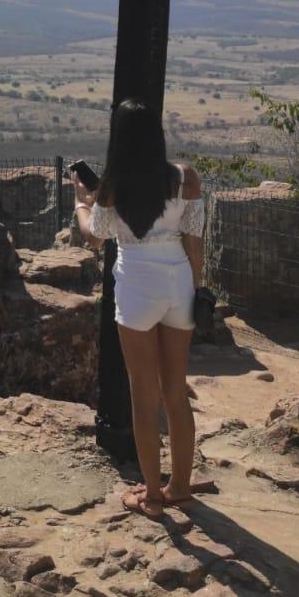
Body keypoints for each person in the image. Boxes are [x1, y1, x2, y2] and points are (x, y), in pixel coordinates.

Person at [71, 98, 205, 516]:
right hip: (178, 281)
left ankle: (151, 494)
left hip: (135, 287)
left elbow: (95, 236)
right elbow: (195, 241)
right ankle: (179, 486)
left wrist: (80, 202)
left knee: (142, 395)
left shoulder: (111, 186)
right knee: (175, 391)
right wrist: (196, 290)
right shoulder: (186, 178)